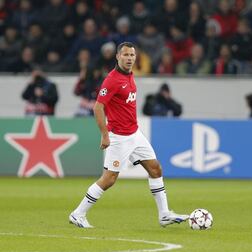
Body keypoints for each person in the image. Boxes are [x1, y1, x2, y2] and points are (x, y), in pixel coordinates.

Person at [69, 42, 188, 228]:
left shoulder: (130, 76)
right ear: (117, 56)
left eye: (132, 55)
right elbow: (98, 107)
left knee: (156, 169)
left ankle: (164, 214)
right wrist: (104, 134)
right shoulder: (112, 80)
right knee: (109, 179)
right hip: (119, 137)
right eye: (125, 55)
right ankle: (78, 214)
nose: (130, 58)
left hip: (135, 134)